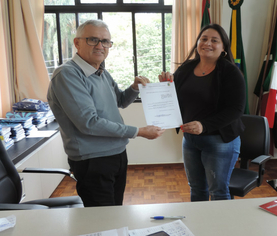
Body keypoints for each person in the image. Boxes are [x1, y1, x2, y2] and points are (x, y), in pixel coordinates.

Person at [47, 19, 165, 207]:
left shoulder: (101, 71)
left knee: (114, 211)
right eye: (93, 40)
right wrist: (139, 131)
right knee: (102, 218)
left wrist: (134, 87)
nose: (101, 46)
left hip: (117, 153)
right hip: (92, 160)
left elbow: (120, 101)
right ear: (77, 43)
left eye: (106, 41)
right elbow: (89, 123)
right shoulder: (67, 74)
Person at [159, 24, 246, 201]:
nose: (208, 43)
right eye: (204, 39)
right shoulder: (185, 69)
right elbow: (173, 99)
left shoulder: (230, 72)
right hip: (190, 140)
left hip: (220, 141)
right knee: (197, 189)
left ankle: (221, 229)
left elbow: (236, 109)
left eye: (215, 40)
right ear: (197, 43)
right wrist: (165, 86)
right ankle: (198, 227)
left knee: (219, 191)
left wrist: (204, 125)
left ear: (223, 48)